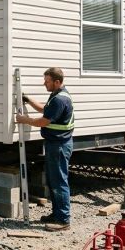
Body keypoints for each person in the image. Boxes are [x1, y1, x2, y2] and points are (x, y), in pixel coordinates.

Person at [16, 67, 74, 232]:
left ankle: (63, 220)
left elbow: (44, 121)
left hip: (59, 146)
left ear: (57, 82)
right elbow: (44, 109)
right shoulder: (57, 95)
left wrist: (24, 119)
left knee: (59, 182)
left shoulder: (60, 100)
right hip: (56, 144)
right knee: (53, 181)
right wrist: (27, 99)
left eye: (47, 81)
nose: (44, 83)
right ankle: (57, 214)